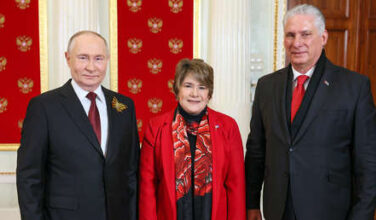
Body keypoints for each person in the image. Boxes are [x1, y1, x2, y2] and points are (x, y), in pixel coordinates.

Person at [245, 4, 376, 220]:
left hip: (330, 210)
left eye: (305, 34)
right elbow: (256, 151)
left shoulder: (355, 87)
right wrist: (251, 204)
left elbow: (369, 164)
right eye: (290, 35)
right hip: (277, 209)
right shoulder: (266, 86)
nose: (297, 43)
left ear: (323, 37)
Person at [16, 30, 139, 220]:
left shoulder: (124, 106)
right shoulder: (43, 107)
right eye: (83, 58)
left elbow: (131, 172)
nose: (91, 67)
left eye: (98, 58)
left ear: (107, 59)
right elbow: (29, 177)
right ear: (68, 59)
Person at [139, 58, 246, 220]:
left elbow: (236, 186)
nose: (195, 94)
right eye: (188, 86)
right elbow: (147, 185)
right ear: (177, 89)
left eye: (202, 87)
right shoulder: (156, 127)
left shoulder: (228, 127)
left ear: (209, 93)